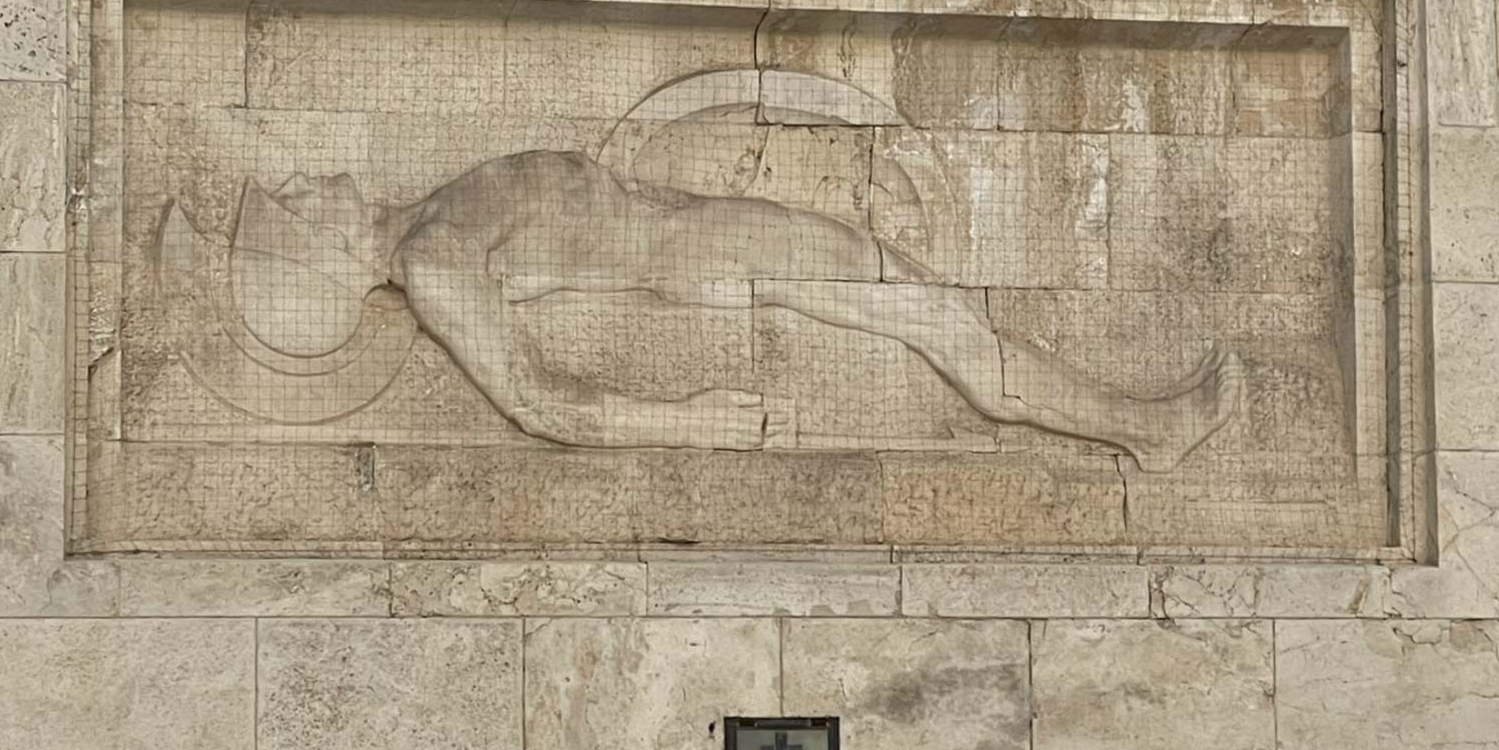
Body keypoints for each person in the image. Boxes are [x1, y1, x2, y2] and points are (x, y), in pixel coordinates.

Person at [251, 151, 1244, 472]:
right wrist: (688, 422)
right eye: (291, 207)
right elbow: (535, 400)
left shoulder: (435, 215)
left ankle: (1138, 426)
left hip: (711, 234)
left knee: (941, 319)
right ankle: (1145, 430)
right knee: (945, 323)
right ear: (331, 255)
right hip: (714, 253)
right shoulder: (433, 260)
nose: (299, 181)